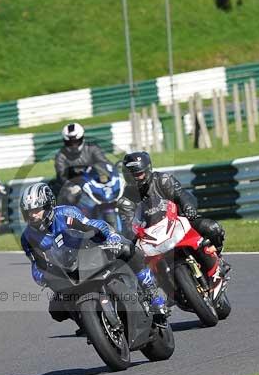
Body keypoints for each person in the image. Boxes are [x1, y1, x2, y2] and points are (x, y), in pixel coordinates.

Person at [19, 182, 166, 328]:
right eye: (29, 212)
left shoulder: (65, 213)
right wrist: (41, 276)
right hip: (66, 272)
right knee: (56, 311)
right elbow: (35, 263)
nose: (33, 215)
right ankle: (87, 323)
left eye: (36, 210)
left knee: (127, 249)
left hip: (92, 253)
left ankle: (152, 294)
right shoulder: (27, 237)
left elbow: (92, 225)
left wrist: (110, 237)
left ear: (48, 206)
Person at [120, 151, 228, 288]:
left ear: (147, 170)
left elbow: (182, 195)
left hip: (179, 222)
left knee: (212, 228)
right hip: (152, 239)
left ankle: (218, 257)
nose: (138, 178)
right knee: (135, 263)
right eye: (133, 175)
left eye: (140, 173)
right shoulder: (125, 200)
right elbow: (128, 225)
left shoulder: (163, 180)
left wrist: (188, 207)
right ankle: (157, 294)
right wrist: (134, 236)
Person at [54, 122, 111, 206]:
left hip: (96, 183)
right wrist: (71, 185)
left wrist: (103, 173)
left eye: (76, 141)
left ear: (82, 138)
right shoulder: (61, 156)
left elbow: (104, 164)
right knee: (69, 198)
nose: (73, 145)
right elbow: (61, 175)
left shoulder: (93, 149)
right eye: (70, 143)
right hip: (76, 187)